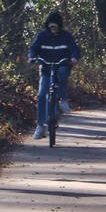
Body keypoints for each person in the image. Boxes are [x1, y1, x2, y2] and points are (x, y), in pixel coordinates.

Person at [28, 10, 79, 139]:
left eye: (55, 26)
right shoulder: (42, 36)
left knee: (62, 72)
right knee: (41, 95)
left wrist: (73, 58)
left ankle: (62, 99)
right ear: (47, 25)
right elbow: (33, 49)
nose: (53, 29)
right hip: (46, 68)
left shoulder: (66, 36)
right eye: (50, 26)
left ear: (59, 25)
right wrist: (31, 57)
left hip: (61, 66)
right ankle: (40, 126)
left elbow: (74, 49)